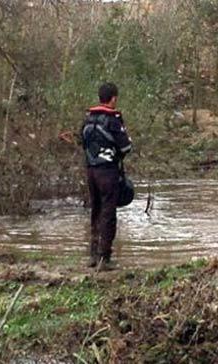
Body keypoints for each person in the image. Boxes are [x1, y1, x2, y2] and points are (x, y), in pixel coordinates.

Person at [81, 82, 133, 270]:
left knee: (95, 210)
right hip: (108, 172)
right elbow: (126, 147)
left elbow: (83, 143)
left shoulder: (88, 119)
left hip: (91, 170)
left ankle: (93, 256)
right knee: (108, 213)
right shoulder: (113, 120)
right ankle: (105, 258)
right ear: (113, 98)